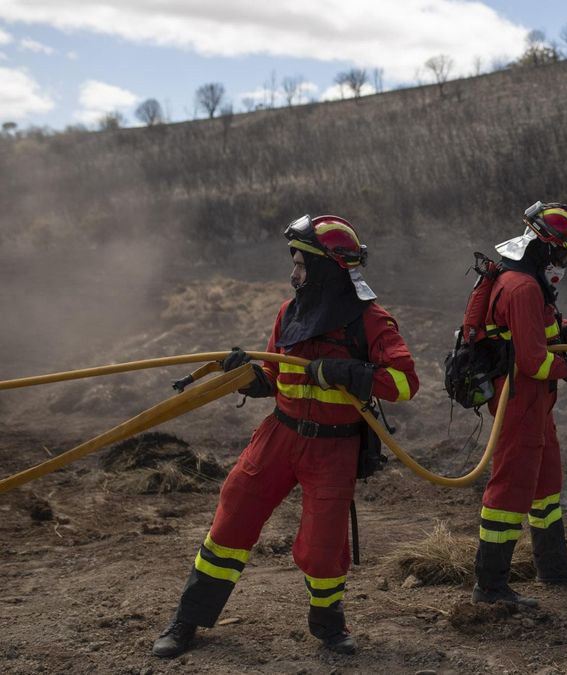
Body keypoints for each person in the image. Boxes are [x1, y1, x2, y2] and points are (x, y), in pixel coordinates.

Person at [152, 215, 420, 658]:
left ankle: (329, 626)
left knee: (322, 546)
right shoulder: (290, 311)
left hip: (333, 447)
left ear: (328, 269)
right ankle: (189, 618)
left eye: (300, 264)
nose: (293, 274)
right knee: (231, 519)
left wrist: (346, 371)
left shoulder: (371, 321)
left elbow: (406, 383)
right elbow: (275, 378)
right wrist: (243, 374)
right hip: (279, 435)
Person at [473, 201, 567, 608]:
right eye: (564, 254)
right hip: (519, 396)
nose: (566, 262)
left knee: (547, 480)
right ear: (545, 247)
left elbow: (543, 326)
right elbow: (535, 361)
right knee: (512, 487)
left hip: (533, 399)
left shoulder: (530, 279)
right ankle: (491, 586)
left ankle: (552, 563)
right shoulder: (522, 287)